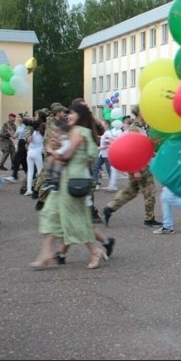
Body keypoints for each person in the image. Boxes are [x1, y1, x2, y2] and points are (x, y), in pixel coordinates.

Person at [30, 102, 108, 270]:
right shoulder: (79, 132)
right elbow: (88, 159)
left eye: (71, 113)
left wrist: (51, 150)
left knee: (75, 219)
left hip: (72, 181)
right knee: (50, 213)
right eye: (67, 114)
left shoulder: (79, 132)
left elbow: (66, 156)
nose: (68, 116)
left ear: (80, 115)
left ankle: (95, 251)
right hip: (66, 180)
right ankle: (46, 254)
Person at [102, 105, 163, 228]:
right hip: (138, 164)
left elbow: (143, 145)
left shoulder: (142, 127)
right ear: (140, 113)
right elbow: (133, 149)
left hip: (139, 163)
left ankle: (109, 208)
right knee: (150, 191)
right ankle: (149, 219)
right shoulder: (135, 129)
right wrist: (136, 170)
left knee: (131, 190)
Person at [42, 119, 71, 192]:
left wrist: (57, 152)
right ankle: (49, 180)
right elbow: (48, 147)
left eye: (55, 131)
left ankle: (55, 182)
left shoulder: (64, 137)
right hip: (55, 156)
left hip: (62, 159)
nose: (53, 133)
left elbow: (66, 146)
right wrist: (52, 151)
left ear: (61, 131)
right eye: (52, 130)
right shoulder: (53, 138)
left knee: (57, 162)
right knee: (50, 159)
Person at [24, 116, 46, 196]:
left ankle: (29, 189)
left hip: (30, 153)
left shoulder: (33, 133)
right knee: (40, 172)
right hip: (38, 154)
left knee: (30, 171)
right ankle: (39, 188)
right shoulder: (42, 134)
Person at [92, 120, 113, 190]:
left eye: (102, 123)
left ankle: (112, 184)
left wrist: (98, 148)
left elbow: (108, 145)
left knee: (108, 169)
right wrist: (99, 137)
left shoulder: (108, 133)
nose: (101, 124)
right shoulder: (106, 133)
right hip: (102, 154)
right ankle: (96, 184)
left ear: (106, 125)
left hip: (106, 154)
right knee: (96, 167)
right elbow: (104, 139)